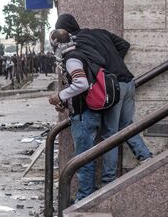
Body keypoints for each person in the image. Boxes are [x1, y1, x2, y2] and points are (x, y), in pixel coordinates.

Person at [56, 14, 152, 184]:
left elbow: (90, 66)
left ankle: (109, 180)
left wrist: (106, 72)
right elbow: (124, 44)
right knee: (126, 125)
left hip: (113, 87)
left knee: (110, 134)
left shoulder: (76, 43)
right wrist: (115, 62)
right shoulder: (99, 32)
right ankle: (145, 156)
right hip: (129, 82)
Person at [48, 29, 105, 201]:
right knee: (86, 157)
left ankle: (84, 197)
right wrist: (65, 103)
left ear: (56, 44)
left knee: (83, 159)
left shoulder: (72, 59)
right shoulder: (79, 54)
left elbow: (81, 83)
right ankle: (86, 192)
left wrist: (60, 96)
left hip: (83, 116)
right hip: (87, 114)